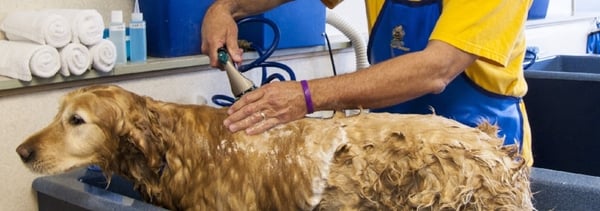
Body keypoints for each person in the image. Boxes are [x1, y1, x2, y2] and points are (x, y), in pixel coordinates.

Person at [201, 0, 533, 166]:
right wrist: (226, 7)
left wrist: (304, 95)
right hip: (394, 151)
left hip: (479, 157)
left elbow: (436, 69)